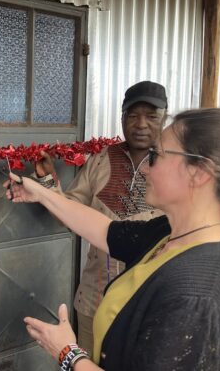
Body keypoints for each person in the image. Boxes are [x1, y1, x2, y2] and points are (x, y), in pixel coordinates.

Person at [7, 108, 220, 370]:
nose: (145, 170)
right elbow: (106, 231)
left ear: (200, 172)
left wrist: (67, 354)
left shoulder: (198, 298)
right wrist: (42, 194)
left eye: (156, 156)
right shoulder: (169, 233)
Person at [33, 80, 167, 353]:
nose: (141, 124)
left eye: (152, 116)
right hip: (95, 296)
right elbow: (66, 212)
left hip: (151, 301)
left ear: (165, 118)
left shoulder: (176, 164)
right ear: (122, 118)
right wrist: (47, 181)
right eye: (133, 115)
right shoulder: (101, 160)